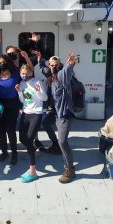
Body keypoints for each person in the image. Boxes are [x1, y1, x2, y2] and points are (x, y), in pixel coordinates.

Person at [45, 53, 78, 183]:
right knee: (46, 123)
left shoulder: (61, 76)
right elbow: (44, 67)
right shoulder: (51, 78)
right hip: (56, 114)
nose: (54, 67)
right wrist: (38, 59)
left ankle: (70, 168)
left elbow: (67, 71)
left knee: (63, 142)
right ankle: (56, 147)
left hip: (64, 114)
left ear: (60, 65)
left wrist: (71, 63)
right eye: (52, 65)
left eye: (56, 65)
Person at [15, 65, 48, 182]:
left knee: (28, 139)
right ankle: (31, 151)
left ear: (31, 72)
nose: (25, 75)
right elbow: (23, 100)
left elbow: (44, 98)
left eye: (27, 73)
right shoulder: (22, 83)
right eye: (22, 73)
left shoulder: (37, 81)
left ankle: (33, 171)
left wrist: (38, 91)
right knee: (22, 139)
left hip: (36, 114)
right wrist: (20, 92)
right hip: (25, 113)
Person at [0, 54, 21, 165]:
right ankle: (4, 152)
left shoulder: (16, 73)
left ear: (8, 62)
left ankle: (14, 154)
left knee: (10, 130)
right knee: (1, 130)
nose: (1, 64)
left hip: (13, 104)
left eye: (3, 62)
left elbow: (29, 71)